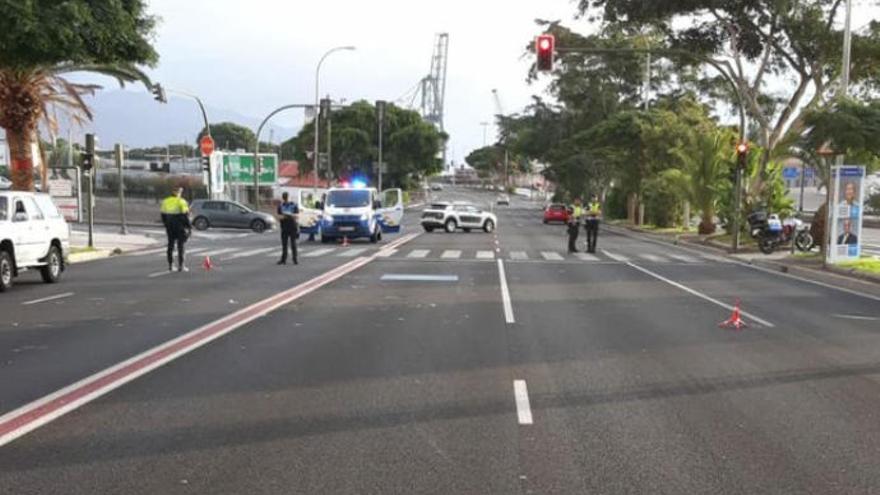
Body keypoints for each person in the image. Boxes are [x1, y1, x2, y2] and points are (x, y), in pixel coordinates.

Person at [160, 186, 191, 272]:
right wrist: (189, 227)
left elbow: (162, 214)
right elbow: (186, 215)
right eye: (180, 192)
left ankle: (170, 265)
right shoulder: (181, 201)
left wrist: (166, 224)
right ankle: (181, 266)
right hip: (179, 225)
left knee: (170, 245)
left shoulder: (165, 201)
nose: (180, 193)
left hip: (169, 225)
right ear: (178, 192)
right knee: (181, 246)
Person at [277, 191, 299, 265]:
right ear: (283, 198)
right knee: (284, 244)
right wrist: (284, 217)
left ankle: (295, 259)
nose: (286, 199)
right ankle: (283, 259)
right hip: (284, 227)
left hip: (292, 226)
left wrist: (291, 215)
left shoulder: (294, 205)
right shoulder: (281, 206)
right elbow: (278, 216)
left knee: (293, 244)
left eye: (287, 198)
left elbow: (297, 215)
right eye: (285, 198)